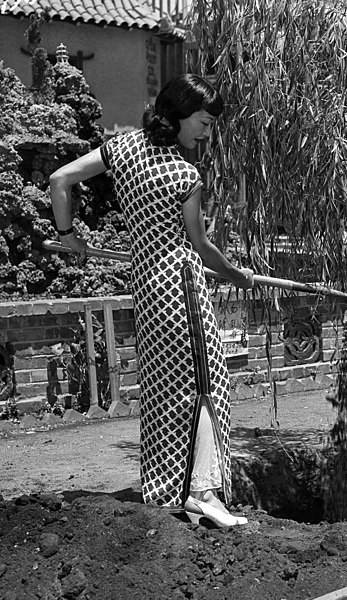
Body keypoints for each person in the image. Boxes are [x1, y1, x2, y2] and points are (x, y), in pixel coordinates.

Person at [50, 74, 254, 527]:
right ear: (180, 114)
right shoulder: (185, 175)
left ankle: (165, 488)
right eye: (203, 121)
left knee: (165, 391)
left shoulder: (121, 149)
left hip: (147, 288)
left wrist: (69, 236)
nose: (207, 131)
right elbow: (200, 247)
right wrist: (237, 275)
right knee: (208, 385)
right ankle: (204, 491)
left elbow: (59, 179)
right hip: (182, 288)